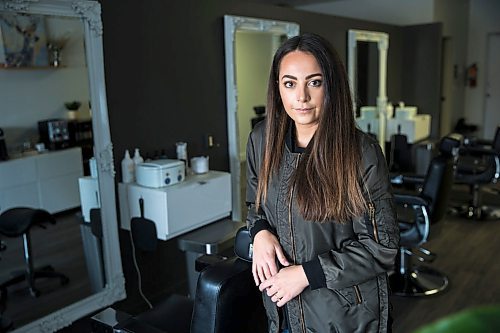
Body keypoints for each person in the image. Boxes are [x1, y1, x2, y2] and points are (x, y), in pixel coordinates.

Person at [245, 33, 399, 333]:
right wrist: (259, 231)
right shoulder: (261, 140)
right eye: (289, 83)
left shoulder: (360, 153)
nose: (301, 97)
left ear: (331, 86)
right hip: (282, 310)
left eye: (314, 82)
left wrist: (305, 274)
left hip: (343, 317)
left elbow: (383, 247)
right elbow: (256, 204)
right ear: (277, 88)